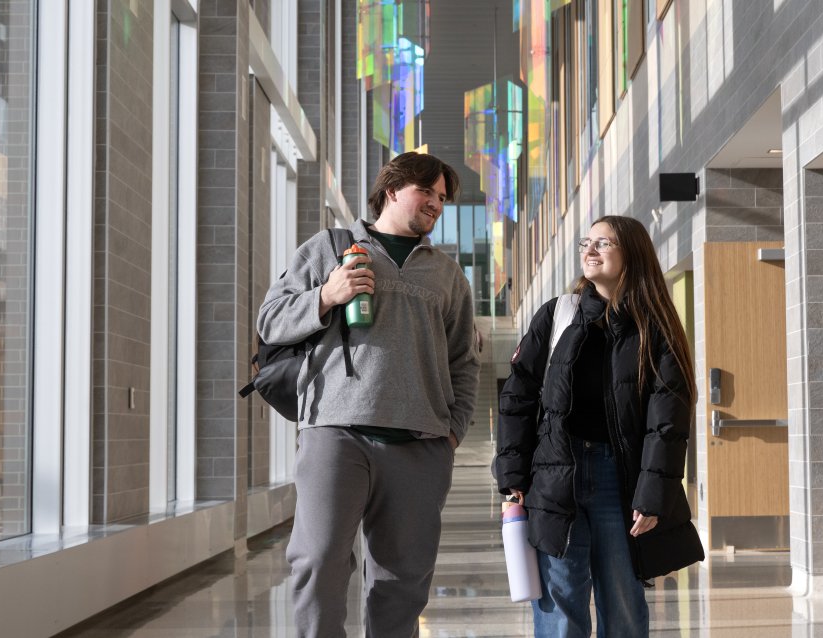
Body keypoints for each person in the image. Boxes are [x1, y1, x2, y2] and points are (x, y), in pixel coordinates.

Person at [257, 152, 479, 637]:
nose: (437, 204)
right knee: (318, 562)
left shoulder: (447, 275)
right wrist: (326, 296)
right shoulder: (328, 248)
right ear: (394, 188)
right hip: (336, 433)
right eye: (429, 192)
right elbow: (269, 321)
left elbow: (464, 360)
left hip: (421, 443)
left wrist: (452, 432)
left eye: (443, 198)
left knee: (403, 580)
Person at [495, 215, 705, 637]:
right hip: (555, 477)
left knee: (624, 603)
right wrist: (512, 476)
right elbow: (517, 397)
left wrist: (652, 494)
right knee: (560, 606)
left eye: (603, 244)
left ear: (632, 253)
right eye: (586, 243)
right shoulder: (557, 315)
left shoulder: (655, 328)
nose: (589, 251)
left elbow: (667, 421)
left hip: (620, 480)